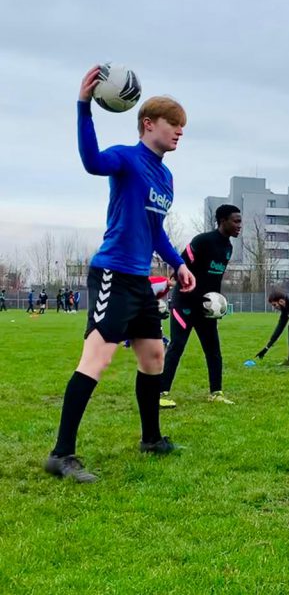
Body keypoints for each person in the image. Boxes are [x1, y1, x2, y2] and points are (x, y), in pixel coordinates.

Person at [44, 66, 196, 483]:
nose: (180, 132)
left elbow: (154, 229)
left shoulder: (165, 176)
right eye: (173, 125)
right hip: (112, 273)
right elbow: (92, 162)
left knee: (154, 356)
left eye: (183, 127)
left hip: (140, 279)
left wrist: (179, 263)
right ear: (149, 125)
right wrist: (83, 106)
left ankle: (151, 439)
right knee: (98, 357)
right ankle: (61, 454)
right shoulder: (127, 159)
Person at [159, 204, 242, 408]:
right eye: (236, 221)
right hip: (184, 303)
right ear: (222, 221)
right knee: (177, 346)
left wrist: (218, 304)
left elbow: (215, 280)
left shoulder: (228, 248)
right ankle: (161, 392)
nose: (240, 225)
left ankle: (216, 392)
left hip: (206, 307)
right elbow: (180, 264)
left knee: (213, 350)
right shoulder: (203, 241)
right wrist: (171, 284)